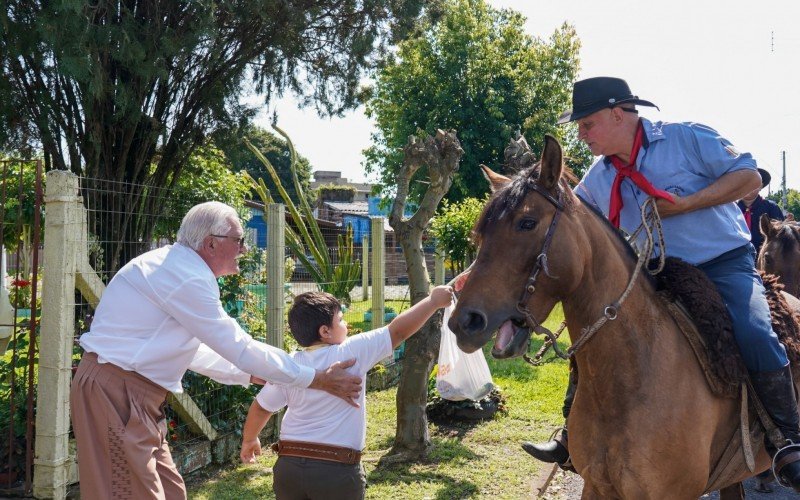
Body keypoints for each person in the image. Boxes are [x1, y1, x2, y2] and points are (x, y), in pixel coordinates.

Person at [520, 76, 800, 491]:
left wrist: (686, 204)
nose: (581, 134)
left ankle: (787, 440)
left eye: (587, 123)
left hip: (721, 262)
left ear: (619, 113)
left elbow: (749, 179)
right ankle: (571, 434)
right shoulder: (599, 177)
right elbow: (570, 220)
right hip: (651, 271)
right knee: (596, 335)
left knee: (754, 329)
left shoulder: (685, 138)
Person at [71, 201, 363, 500]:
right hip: (117, 392)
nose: (245, 250)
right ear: (211, 243)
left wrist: (249, 373)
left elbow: (192, 350)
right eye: (239, 240)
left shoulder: (180, 268)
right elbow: (238, 345)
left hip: (130, 392)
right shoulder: (186, 276)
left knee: (170, 492)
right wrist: (314, 377)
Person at [239, 286, 453, 500]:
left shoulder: (289, 366)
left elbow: (262, 406)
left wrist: (250, 439)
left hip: (288, 468)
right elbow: (397, 331)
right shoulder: (351, 352)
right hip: (336, 471)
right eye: (340, 319)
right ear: (325, 331)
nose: (347, 324)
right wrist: (433, 302)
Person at [737, 168, 784, 256]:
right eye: (743, 183)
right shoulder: (732, 208)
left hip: (764, 259)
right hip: (735, 259)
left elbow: (780, 237)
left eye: (752, 183)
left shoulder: (771, 207)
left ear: (761, 186)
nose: (747, 186)